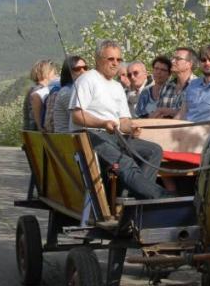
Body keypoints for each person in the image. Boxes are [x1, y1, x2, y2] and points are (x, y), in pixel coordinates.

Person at [70, 40, 166, 200]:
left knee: (154, 151)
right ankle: (159, 195)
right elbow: (77, 115)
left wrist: (132, 127)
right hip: (90, 135)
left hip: (115, 135)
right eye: (111, 59)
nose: (115, 63)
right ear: (99, 59)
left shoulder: (117, 87)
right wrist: (103, 123)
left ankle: (138, 200)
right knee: (126, 162)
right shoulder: (87, 80)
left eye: (118, 60)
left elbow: (124, 121)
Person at [43, 54, 87, 132]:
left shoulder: (76, 89)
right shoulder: (67, 92)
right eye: (77, 69)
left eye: (85, 68)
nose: (83, 71)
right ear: (68, 72)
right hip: (71, 139)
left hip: (76, 137)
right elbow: (81, 120)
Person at [151, 46, 194, 118]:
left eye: (178, 59)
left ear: (189, 64)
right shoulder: (166, 86)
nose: (172, 61)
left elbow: (198, 115)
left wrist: (171, 112)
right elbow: (158, 114)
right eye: (173, 58)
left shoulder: (198, 86)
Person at [21, 59, 57, 131]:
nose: (56, 76)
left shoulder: (32, 90)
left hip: (30, 133)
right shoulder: (41, 92)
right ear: (47, 73)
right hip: (37, 134)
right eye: (54, 73)